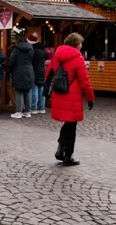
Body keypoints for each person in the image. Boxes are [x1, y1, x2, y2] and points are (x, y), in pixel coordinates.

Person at [44, 33, 95, 167]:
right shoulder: (78, 59)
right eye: (81, 43)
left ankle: (61, 149)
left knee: (68, 123)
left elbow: (49, 73)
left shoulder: (57, 56)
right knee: (71, 125)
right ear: (77, 44)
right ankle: (68, 156)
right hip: (72, 96)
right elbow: (85, 82)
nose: (81, 46)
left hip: (59, 93)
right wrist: (90, 98)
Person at [6, 31, 35, 119]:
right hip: (29, 71)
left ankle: (18, 111)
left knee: (19, 92)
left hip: (18, 72)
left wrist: (8, 71)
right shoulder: (31, 48)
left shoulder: (16, 49)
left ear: (17, 41)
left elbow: (12, 62)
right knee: (27, 91)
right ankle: (27, 112)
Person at [29, 35, 48, 115]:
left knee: (34, 89)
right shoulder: (43, 50)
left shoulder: (32, 50)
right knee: (41, 89)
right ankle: (42, 107)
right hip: (42, 71)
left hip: (34, 71)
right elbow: (47, 59)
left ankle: (34, 108)